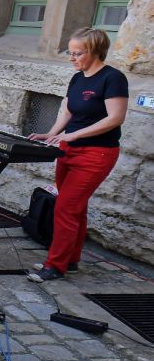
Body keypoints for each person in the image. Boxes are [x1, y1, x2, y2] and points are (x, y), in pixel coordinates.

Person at [28, 27, 129, 283]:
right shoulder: (77, 77)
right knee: (76, 208)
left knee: (65, 207)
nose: (72, 58)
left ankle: (54, 266)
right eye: (70, 53)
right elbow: (67, 110)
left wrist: (75, 135)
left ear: (94, 51)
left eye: (77, 53)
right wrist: (50, 134)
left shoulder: (112, 78)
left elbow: (115, 117)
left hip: (96, 153)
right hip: (67, 150)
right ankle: (70, 260)